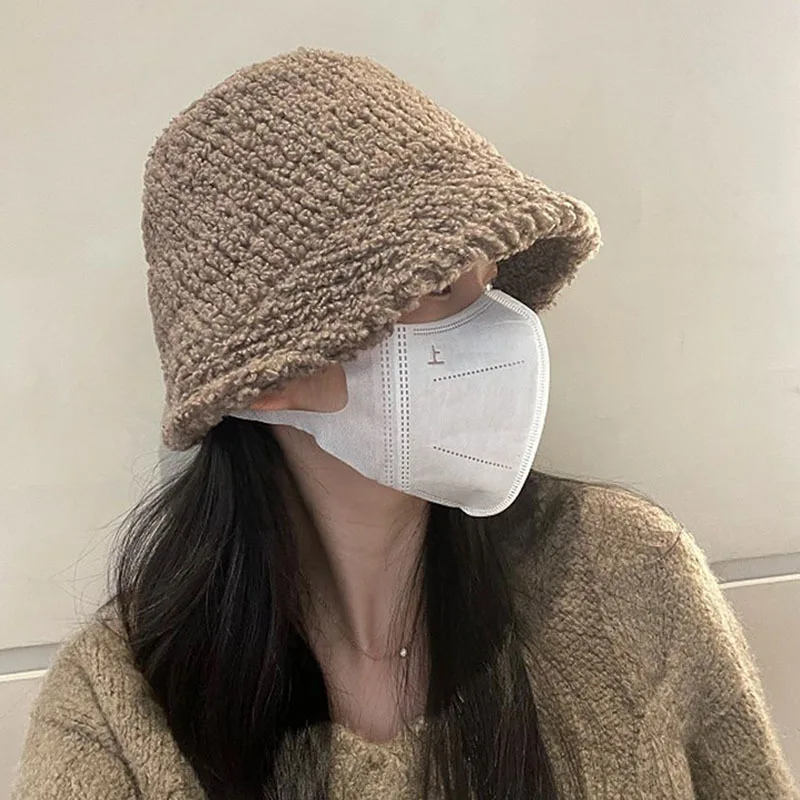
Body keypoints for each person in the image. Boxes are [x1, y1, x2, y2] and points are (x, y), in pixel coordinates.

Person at [12, 46, 798, 800]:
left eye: (490, 280)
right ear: (275, 375)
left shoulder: (628, 575)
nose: (510, 330)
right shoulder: (117, 713)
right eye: (442, 288)